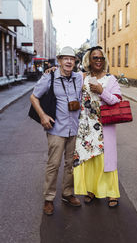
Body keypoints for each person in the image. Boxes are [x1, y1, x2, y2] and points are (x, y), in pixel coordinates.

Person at [30, 46, 82, 215]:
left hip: (74, 129)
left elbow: (95, 72)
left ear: (75, 62)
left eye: (72, 59)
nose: (68, 61)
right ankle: (49, 199)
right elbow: (33, 97)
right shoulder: (50, 77)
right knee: (53, 164)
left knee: (71, 165)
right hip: (56, 129)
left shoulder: (79, 78)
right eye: (65, 58)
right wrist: (43, 115)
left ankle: (67, 194)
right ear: (59, 61)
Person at [73, 46, 121, 207]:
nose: (98, 60)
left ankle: (112, 193)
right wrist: (52, 70)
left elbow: (117, 101)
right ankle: (92, 190)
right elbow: (66, 78)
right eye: (95, 58)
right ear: (89, 60)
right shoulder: (82, 77)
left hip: (103, 126)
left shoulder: (110, 79)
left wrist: (102, 91)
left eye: (101, 58)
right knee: (89, 159)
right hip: (86, 127)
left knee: (105, 160)